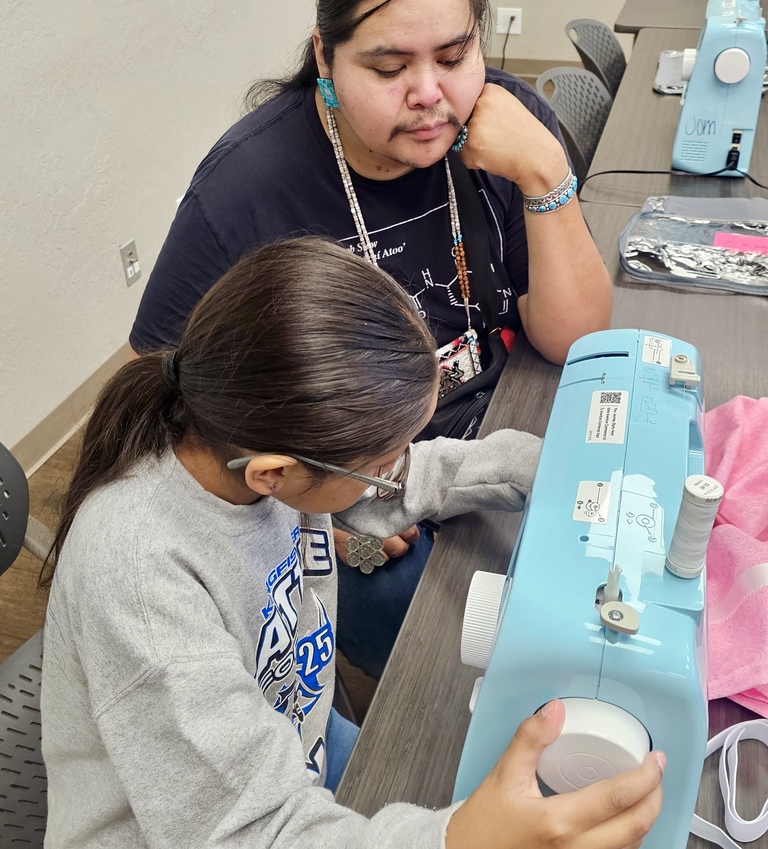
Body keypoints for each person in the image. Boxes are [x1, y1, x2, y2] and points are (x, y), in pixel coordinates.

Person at [41, 238, 662, 849]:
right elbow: (252, 830)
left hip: (293, 740)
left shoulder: (250, 446)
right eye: (383, 462)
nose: (395, 475)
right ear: (274, 474)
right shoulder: (140, 577)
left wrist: (561, 470)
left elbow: (417, 477)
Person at [128, 0, 612, 679]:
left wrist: (546, 175)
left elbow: (574, 336)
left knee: (604, 589)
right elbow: (161, 416)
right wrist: (318, 509)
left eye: (455, 56)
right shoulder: (246, 191)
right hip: (352, 488)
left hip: (496, 420)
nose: (429, 95)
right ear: (326, 55)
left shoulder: (506, 128)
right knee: (474, 682)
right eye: (388, 69)